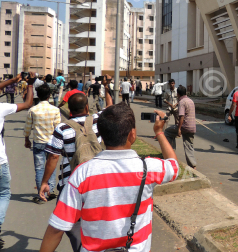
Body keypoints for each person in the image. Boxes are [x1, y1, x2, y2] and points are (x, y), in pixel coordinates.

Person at [39, 102, 179, 252]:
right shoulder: (149, 168)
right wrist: (159, 132)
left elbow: (56, 229)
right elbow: (173, 165)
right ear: (132, 135)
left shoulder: (82, 173)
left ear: (102, 136)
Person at [39, 75, 114, 252]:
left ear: (69, 110)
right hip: (97, 182)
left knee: (67, 224)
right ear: (87, 107)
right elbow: (110, 107)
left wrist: (45, 182)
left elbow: (53, 158)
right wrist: (107, 87)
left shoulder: (62, 128)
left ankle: (81, 247)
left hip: (70, 184)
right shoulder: (97, 120)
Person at [0, 73, 36, 248]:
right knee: (4, 194)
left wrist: (13, 81)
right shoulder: (1, 108)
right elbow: (28, 104)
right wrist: (29, 84)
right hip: (0, 162)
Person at [23, 83, 60, 205]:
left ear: (37, 95)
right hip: (52, 143)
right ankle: (51, 189)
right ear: (49, 95)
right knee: (51, 166)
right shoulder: (55, 110)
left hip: (38, 142)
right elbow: (57, 127)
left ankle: (41, 193)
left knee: (39, 168)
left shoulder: (33, 110)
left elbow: (28, 126)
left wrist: (27, 138)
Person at [164, 85, 197, 168]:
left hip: (184, 127)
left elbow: (181, 116)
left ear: (178, 94)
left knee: (167, 132)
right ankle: (193, 165)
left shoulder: (182, 102)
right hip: (192, 127)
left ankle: (171, 155)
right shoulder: (190, 101)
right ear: (186, 93)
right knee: (189, 145)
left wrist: (179, 129)